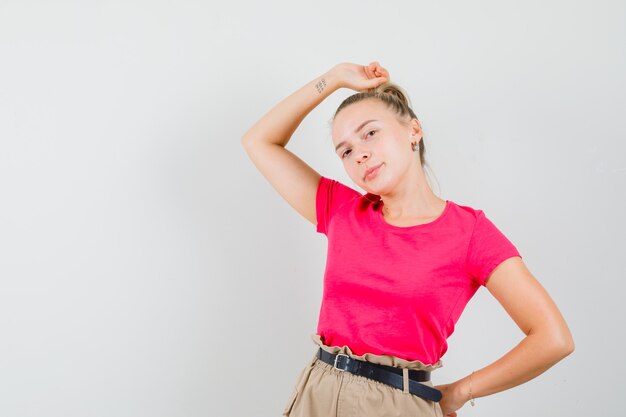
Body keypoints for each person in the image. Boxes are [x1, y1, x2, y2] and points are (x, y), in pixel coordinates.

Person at [241, 62, 574, 417]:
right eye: (346, 151)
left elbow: (553, 338)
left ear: (413, 130)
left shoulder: (469, 232)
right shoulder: (341, 210)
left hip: (398, 404)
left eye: (369, 133)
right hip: (317, 393)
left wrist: (462, 391)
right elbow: (259, 141)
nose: (360, 154)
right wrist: (335, 78)